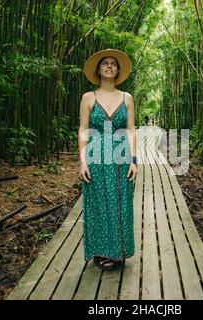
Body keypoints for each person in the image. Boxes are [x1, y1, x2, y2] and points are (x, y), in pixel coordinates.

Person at [78, 49, 138, 271]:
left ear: (118, 70)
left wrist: (134, 160)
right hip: (95, 157)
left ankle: (119, 252)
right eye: (105, 63)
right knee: (98, 203)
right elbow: (83, 129)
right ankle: (101, 250)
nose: (110, 66)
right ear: (99, 69)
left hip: (121, 156)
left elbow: (131, 129)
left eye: (113, 63)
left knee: (121, 203)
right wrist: (82, 161)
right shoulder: (88, 98)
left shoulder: (127, 98)